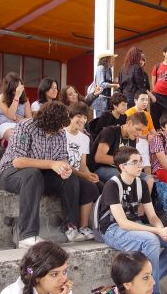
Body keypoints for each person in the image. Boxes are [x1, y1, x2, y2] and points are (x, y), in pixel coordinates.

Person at [0, 101, 84, 248]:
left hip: (40, 175)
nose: (58, 130)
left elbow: (62, 156)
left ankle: (70, 227)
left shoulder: (60, 132)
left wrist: (64, 167)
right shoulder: (25, 127)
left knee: (71, 178)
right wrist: (51, 164)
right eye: (56, 126)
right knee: (32, 174)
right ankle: (27, 236)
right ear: (46, 121)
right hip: (11, 173)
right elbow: (18, 162)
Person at [99, 146, 167, 294]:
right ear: (122, 166)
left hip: (134, 226)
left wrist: (161, 230)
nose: (140, 165)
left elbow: (152, 216)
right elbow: (122, 222)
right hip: (112, 230)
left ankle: (143, 282)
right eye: (135, 162)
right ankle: (153, 291)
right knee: (151, 240)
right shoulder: (112, 185)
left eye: (140, 161)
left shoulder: (141, 184)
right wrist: (156, 230)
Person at [65, 102, 104, 240]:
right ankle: (75, 226)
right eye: (78, 116)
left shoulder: (85, 138)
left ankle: (86, 226)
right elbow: (65, 164)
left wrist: (89, 175)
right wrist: (85, 176)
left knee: (98, 187)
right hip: (64, 174)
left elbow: (82, 164)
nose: (82, 120)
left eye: (85, 117)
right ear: (70, 116)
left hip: (78, 173)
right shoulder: (61, 134)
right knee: (83, 185)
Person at [88, 112, 154, 192]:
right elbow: (99, 157)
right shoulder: (110, 131)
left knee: (149, 179)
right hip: (100, 168)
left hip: (121, 168)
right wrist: (126, 162)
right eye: (138, 129)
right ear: (129, 123)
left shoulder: (132, 137)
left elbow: (129, 159)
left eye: (142, 131)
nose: (139, 133)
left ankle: (142, 204)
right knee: (128, 176)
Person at [0, 241, 73, 294]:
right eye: (54, 274)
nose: (63, 279)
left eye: (64, 272)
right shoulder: (11, 292)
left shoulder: (63, 290)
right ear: (36, 276)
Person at [125, 92, 157, 174]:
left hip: (146, 140)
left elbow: (153, 131)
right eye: (142, 99)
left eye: (147, 100)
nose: (145, 102)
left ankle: (149, 177)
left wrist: (158, 136)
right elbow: (127, 131)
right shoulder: (128, 113)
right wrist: (146, 136)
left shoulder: (147, 114)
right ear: (135, 100)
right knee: (142, 143)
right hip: (134, 139)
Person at [0, 72, 32, 140]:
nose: (16, 90)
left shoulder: (25, 100)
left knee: (30, 139)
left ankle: (4, 142)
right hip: (5, 125)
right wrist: (17, 96)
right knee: (20, 139)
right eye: (13, 88)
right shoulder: (1, 98)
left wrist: (18, 119)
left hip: (21, 126)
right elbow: (11, 115)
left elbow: (30, 120)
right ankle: (3, 140)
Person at [90, 50, 120, 118]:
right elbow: (101, 84)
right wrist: (115, 85)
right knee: (100, 119)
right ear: (107, 59)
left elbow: (107, 83)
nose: (114, 60)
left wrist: (114, 82)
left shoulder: (109, 70)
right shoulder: (101, 68)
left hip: (107, 98)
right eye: (112, 58)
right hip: (100, 98)